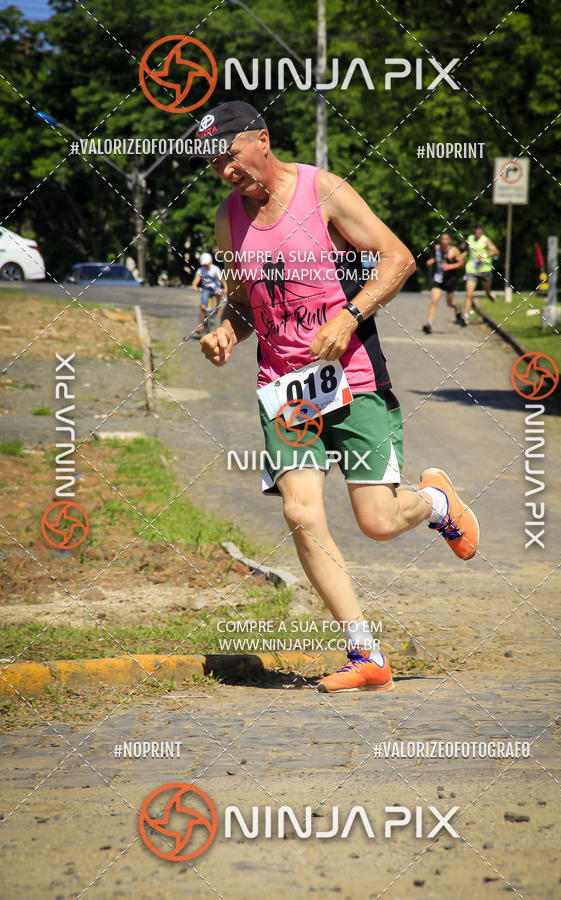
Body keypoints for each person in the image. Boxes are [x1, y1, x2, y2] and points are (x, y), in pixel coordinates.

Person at [193, 101, 480, 693]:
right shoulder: (227, 220)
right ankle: (365, 654)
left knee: (375, 521)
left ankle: (433, 502)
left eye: (229, 155)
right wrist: (224, 330)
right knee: (300, 511)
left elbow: (397, 257)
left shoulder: (322, 191)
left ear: (262, 141)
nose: (225, 171)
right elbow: (245, 303)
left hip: (352, 373)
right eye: (213, 163)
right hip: (284, 386)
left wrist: (350, 315)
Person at [423, 233, 466, 333]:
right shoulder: (437, 248)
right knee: (434, 301)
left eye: (446, 239)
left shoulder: (453, 251)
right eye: (442, 239)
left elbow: (461, 264)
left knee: (449, 303)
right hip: (438, 279)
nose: (443, 241)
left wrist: (450, 266)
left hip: (450, 279)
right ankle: (429, 324)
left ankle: (457, 307)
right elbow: (438, 258)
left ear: (449, 241)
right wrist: (432, 261)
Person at [462, 225, 500, 324]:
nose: (477, 234)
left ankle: (488, 294)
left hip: (484, 268)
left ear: (482, 233)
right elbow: (467, 251)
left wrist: (484, 255)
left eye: (479, 232)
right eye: (476, 232)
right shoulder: (470, 238)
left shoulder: (485, 240)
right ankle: (465, 316)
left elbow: (496, 252)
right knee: (469, 294)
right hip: (472, 269)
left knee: (486, 288)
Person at [191, 252, 227, 335]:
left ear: (211, 262)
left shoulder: (215, 269)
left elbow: (222, 279)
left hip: (216, 288)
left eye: (207, 264)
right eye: (204, 264)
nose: (205, 266)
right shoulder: (201, 270)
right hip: (206, 289)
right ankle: (201, 325)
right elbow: (196, 279)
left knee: (219, 292)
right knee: (203, 307)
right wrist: (194, 285)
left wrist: (225, 288)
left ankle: (218, 307)